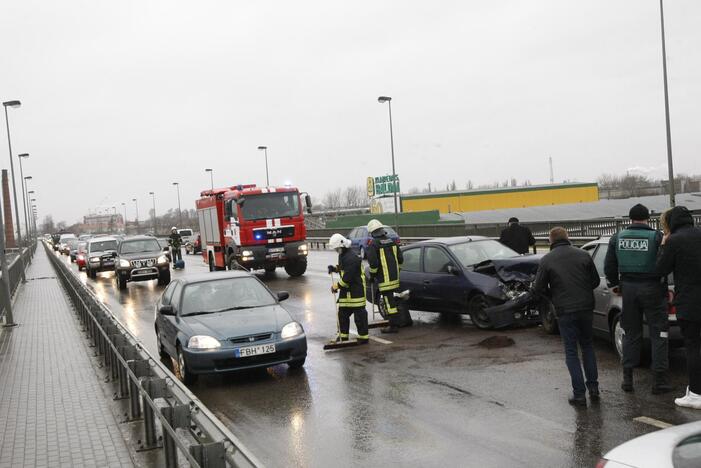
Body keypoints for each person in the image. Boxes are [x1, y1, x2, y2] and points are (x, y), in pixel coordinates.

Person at [604, 203, 671, 394]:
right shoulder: (657, 236)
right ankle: (659, 381)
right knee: (659, 333)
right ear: (647, 218)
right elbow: (664, 261)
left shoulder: (617, 238)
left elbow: (609, 265)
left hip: (629, 290)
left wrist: (615, 284)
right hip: (653, 288)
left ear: (630, 218)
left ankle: (627, 380)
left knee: (630, 333)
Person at [533, 227, 601, 407]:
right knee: (587, 346)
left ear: (550, 241)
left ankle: (579, 395)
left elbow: (538, 288)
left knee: (571, 351)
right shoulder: (583, 255)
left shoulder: (547, 260)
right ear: (567, 237)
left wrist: (553, 295)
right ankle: (594, 389)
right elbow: (595, 281)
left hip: (564, 310)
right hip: (586, 307)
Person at [656, 206, 701, 408]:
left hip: (690, 302)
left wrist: (664, 246)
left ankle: (696, 394)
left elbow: (661, 269)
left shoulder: (674, 241)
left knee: (693, 347)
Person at [327, 233, 369, 344]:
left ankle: (363, 338)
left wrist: (336, 286)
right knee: (342, 314)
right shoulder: (343, 255)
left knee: (359, 316)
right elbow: (343, 268)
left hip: (356, 291)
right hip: (347, 292)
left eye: (337, 248)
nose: (336, 250)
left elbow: (347, 278)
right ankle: (343, 336)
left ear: (342, 246)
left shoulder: (352, 258)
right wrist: (335, 269)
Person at [366, 219, 404, 334]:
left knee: (389, 302)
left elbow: (373, 264)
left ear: (372, 232)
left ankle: (393, 326)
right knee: (394, 300)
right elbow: (401, 259)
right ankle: (400, 321)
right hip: (395, 278)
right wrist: (398, 270)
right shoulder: (392, 241)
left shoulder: (373, 245)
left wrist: (372, 276)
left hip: (384, 280)